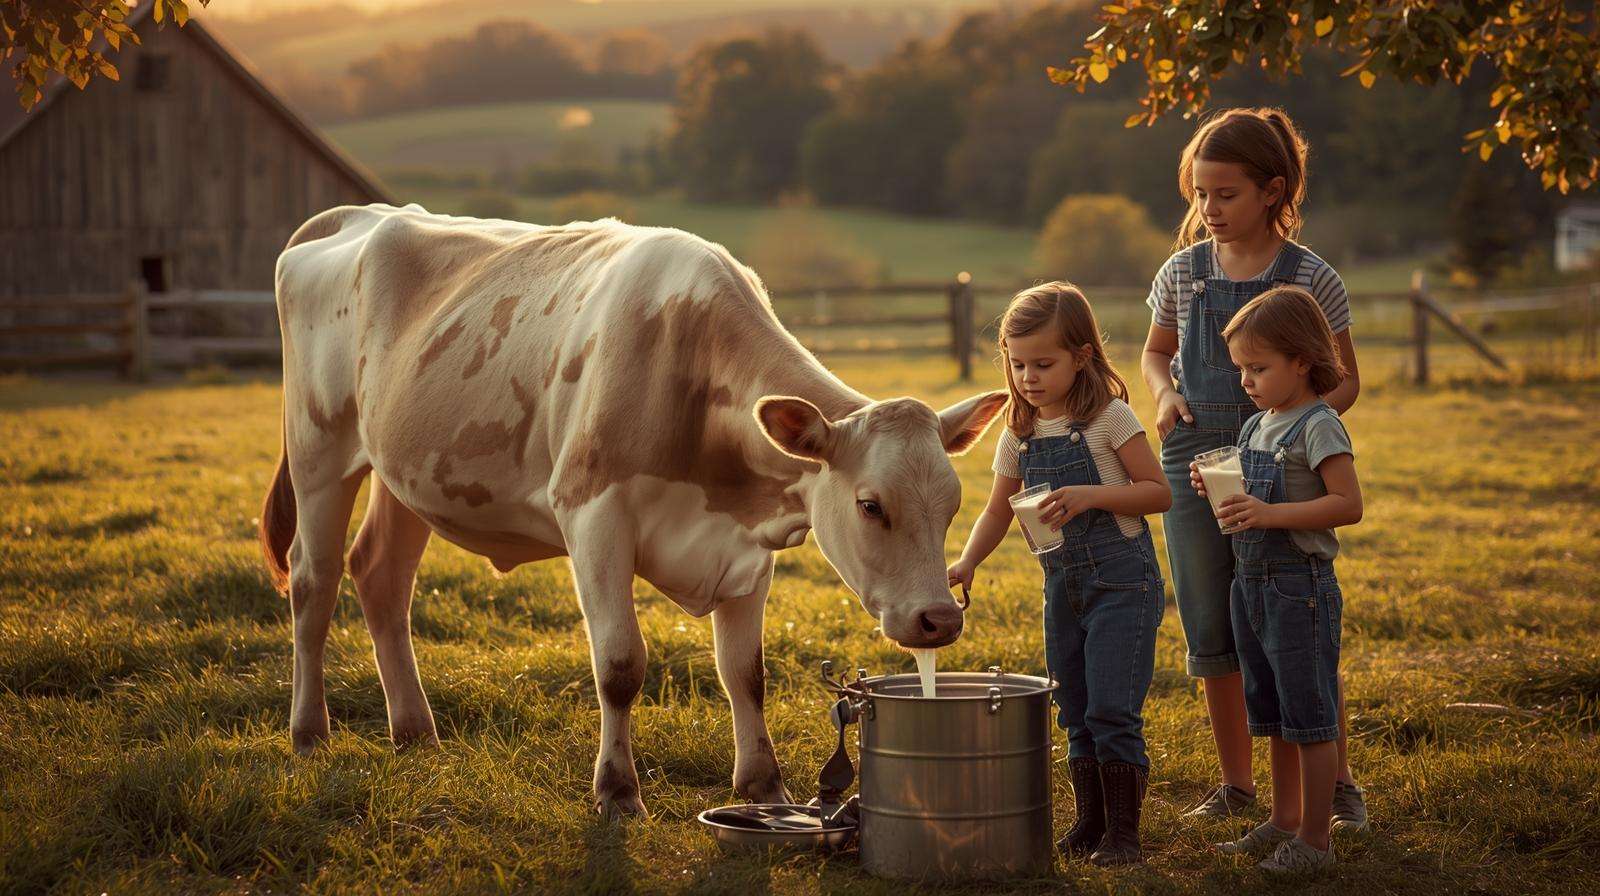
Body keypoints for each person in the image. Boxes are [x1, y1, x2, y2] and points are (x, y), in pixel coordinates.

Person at [1141, 107, 1367, 829]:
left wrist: (1294, 427)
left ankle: (1335, 788)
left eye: (1225, 194)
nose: (1208, 210)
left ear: (1272, 191)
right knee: (1213, 623)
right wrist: (1166, 392)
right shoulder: (1183, 272)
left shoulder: (1310, 277)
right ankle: (1237, 786)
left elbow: (1345, 379)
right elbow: (1153, 353)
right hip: (1194, 463)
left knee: (1291, 620)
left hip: (1282, 471)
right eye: (1199, 195)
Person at [947, 282, 1171, 865]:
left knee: (1111, 710)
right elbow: (998, 510)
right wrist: (968, 561)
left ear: (1083, 356)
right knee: (1073, 708)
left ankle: (1125, 834)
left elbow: (1158, 494)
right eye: (1017, 364)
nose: (1028, 377)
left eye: (1043, 364)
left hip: (1122, 583)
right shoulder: (1017, 435)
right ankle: (1089, 824)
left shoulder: (1109, 418)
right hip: (1062, 588)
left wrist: (1091, 496)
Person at [1195, 286, 1362, 873]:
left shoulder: (1319, 425)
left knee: (1310, 714)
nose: (1245, 380)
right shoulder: (1256, 426)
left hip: (1299, 588)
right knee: (1272, 712)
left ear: (1302, 360)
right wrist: (1217, 486)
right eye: (1241, 368)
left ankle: (1315, 841)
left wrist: (1268, 514)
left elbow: (1347, 504)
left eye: (1258, 368)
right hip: (1252, 585)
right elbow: (1250, 496)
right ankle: (1283, 819)